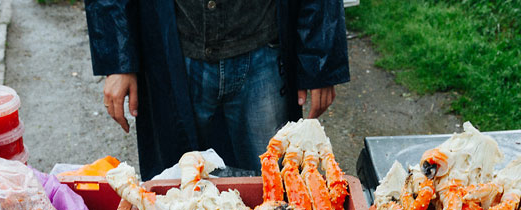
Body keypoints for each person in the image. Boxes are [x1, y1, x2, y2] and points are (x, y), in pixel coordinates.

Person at [84, 0, 350, 180]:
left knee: (276, 191)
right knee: (178, 200)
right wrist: (118, 60)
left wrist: (320, 56)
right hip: (172, 53)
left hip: (263, 51)